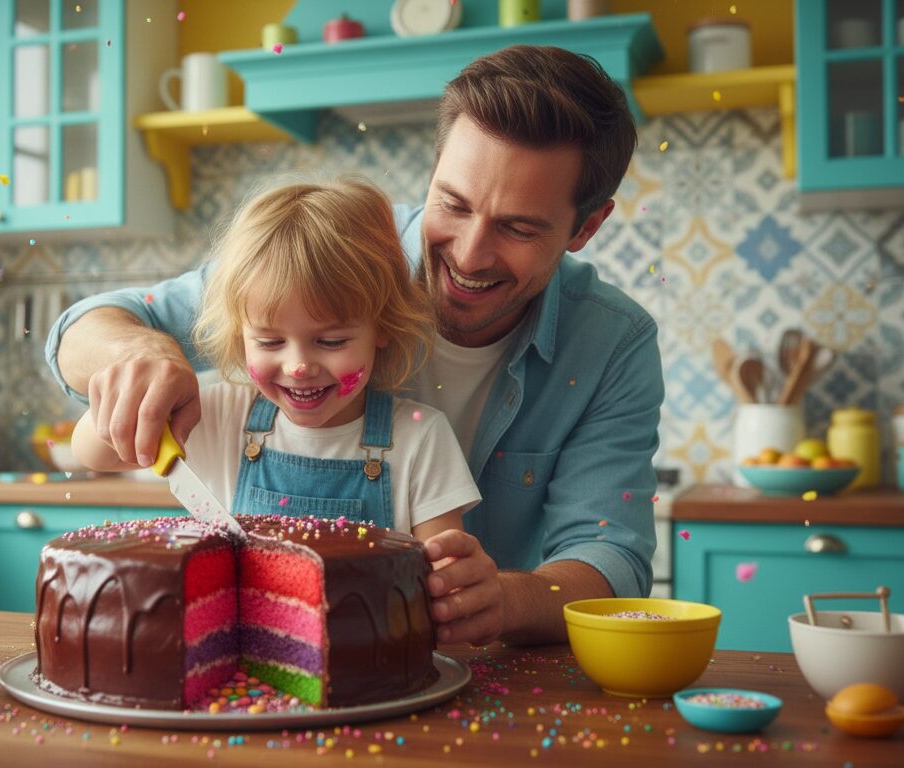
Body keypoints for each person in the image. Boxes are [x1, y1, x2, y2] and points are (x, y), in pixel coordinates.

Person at [46, 45, 662, 647]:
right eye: (452, 204)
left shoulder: (611, 344)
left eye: (519, 227)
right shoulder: (338, 256)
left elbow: (610, 559)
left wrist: (502, 598)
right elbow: (94, 325)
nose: (470, 255)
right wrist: (137, 354)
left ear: (586, 226)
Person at [72, 177, 481, 541]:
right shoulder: (216, 416)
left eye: (332, 340)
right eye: (269, 342)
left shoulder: (420, 439)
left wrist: (452, 575)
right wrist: (131, 402)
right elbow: (90, 453)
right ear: (240, 335)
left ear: (383, 328)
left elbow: (442, 567)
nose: (298, 365)